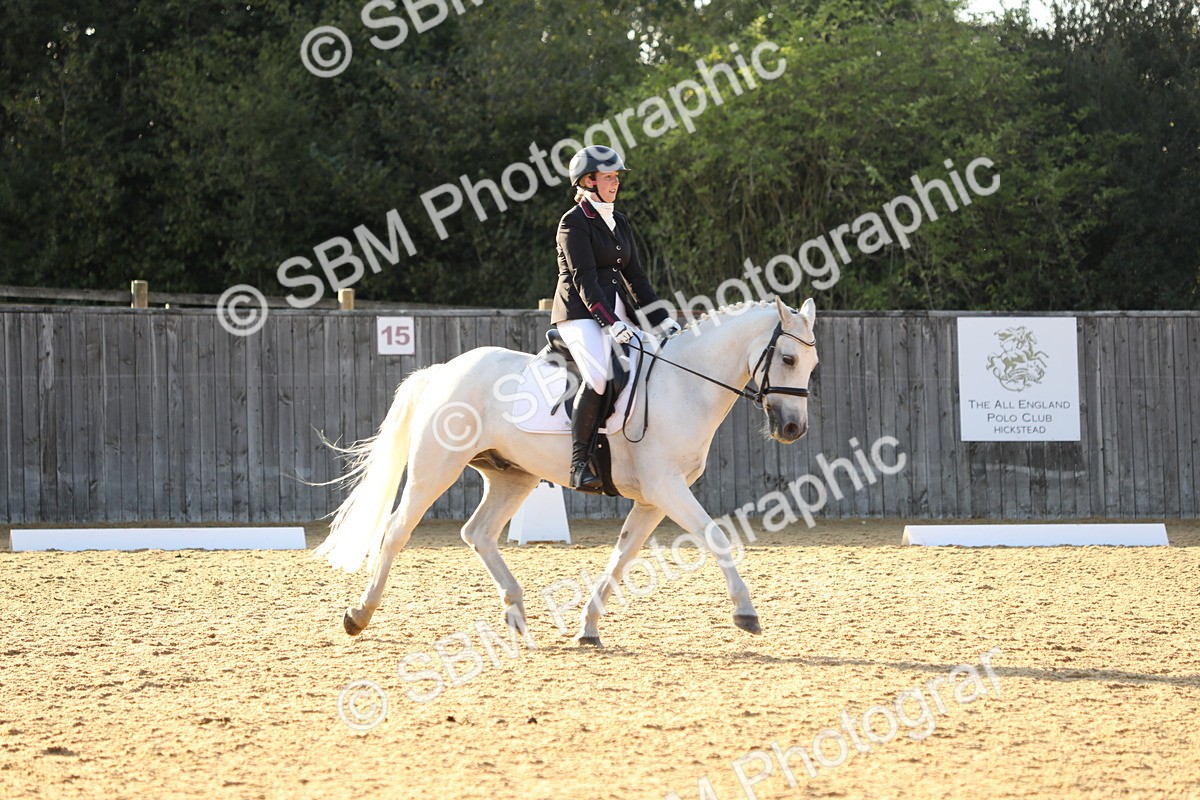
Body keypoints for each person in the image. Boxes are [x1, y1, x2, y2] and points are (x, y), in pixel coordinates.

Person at [550, 145, 682, 492]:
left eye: (616, 177)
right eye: (609, 177)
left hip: (615, 310)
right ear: (588, 181)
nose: (615, 183)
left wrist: (660, 320)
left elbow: (636, 278)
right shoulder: (573, 222)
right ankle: (579, 464)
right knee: (597, 377)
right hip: (580, 313)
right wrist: (610, 322)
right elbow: (585, 280)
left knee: (654, 366)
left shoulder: (618, 221)